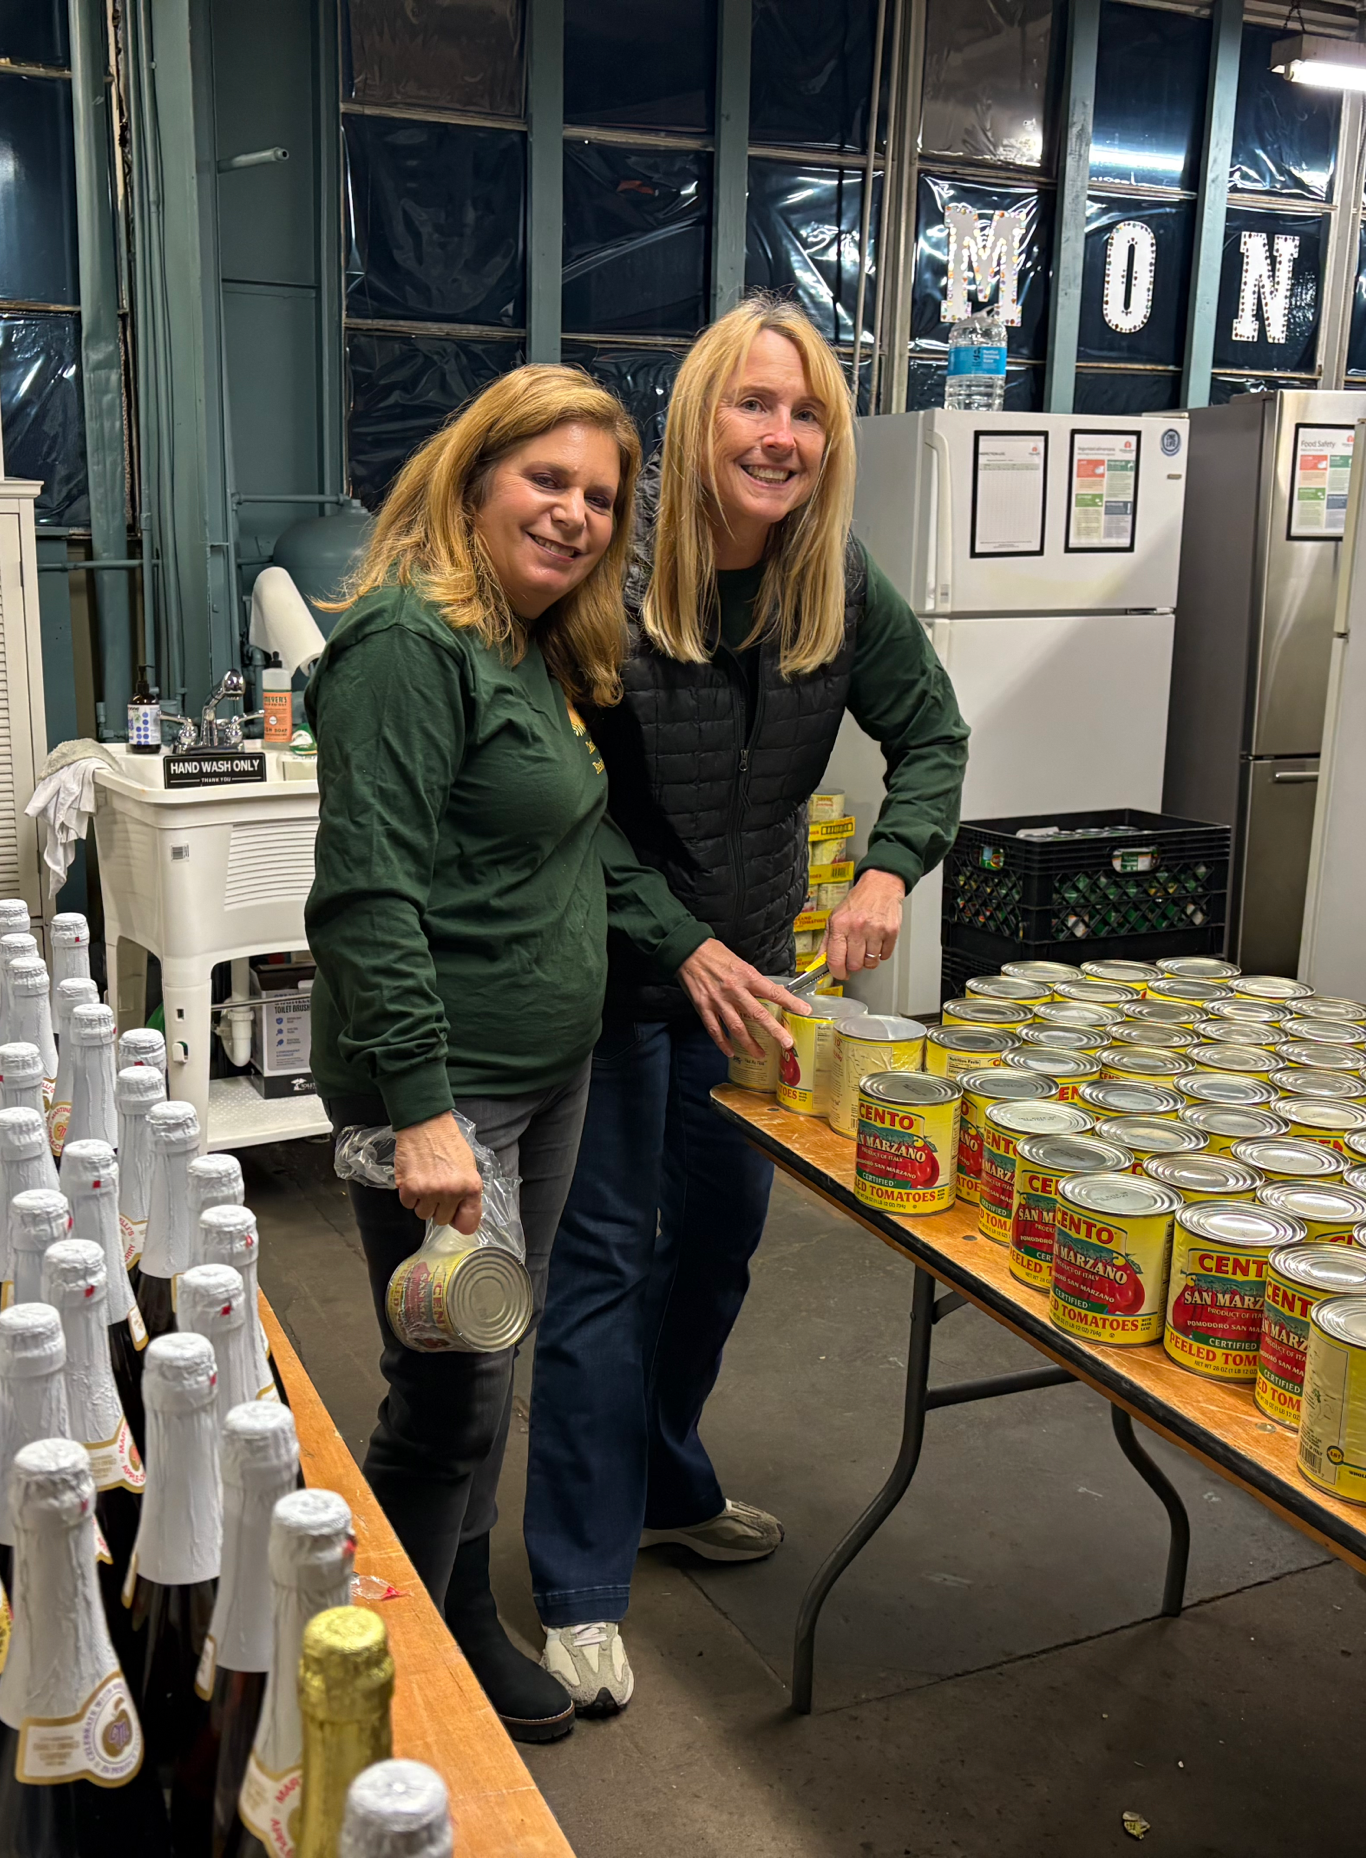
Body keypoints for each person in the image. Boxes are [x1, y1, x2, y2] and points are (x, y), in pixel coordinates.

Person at [524, 299, 969, 1716]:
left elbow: (934, 736)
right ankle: (579, 1584)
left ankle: (664, 1484)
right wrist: (677, 940)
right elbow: (560, 808)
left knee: (715, 1247)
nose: (779, 436)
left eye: (806, 413)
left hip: (752, 988)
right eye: (753, 406)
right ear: (700, 415)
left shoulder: (833, 586)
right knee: (601, 1270)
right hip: (606, 981)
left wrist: (891, 868)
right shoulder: (609, 580)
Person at [306, 363, 679, 1744]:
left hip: (546, 1074)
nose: (576, 514)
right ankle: (390, 1664)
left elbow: (569, 856)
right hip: (446, 1090)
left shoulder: (533, 649)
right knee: (456, 1383)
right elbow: (364, 889)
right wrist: (419, 1110)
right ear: (472, 480)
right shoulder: (408, 646)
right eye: (547, 480)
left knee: (486, 1368)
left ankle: (455, 1618)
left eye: (600, 495)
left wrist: (694, 948)